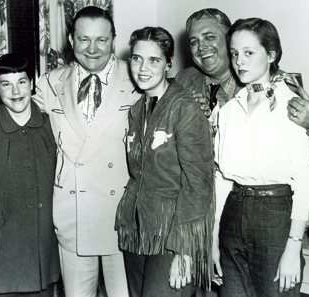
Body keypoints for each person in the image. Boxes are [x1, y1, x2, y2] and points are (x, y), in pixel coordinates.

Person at [0, 6, 140, 297]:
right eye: (83, 39)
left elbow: (169, 101)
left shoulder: (136, 79)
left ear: (114, 40)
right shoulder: (51, 82)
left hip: (122, 221)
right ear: (71, 40)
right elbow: (17, 104)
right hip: (73, 220)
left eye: (101, 40)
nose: (92, 49)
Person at [214, 18, 309, 296]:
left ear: (271, 55)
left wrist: (293, 247)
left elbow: (305, 180)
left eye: (249, 53)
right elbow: (222, 179)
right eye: (235, 53)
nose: (239, 61)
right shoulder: (228, 111)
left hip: (275, 218)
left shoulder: (292, 107)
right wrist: (213, 240)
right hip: (233, 216)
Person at [115, 26, 214, 297]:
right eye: (136, 58)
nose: (143, 68)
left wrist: (185, 251)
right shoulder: (138, 109)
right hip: (137, 233)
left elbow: (199, 185)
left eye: (154, 60)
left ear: (169, 64)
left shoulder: (185, 108)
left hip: (173, 236)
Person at [175, 8, 309, 162]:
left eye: (209, 37)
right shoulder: (184, 79)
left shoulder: (272, 80)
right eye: (194, 42)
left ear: (230, 39)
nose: (201, 47)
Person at [0, 53, 60, 296]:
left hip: (45, 258)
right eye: (6, 84)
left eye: (22, 82)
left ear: (32, 84)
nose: (16, 91)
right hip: (4, 261)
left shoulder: (52, 125)